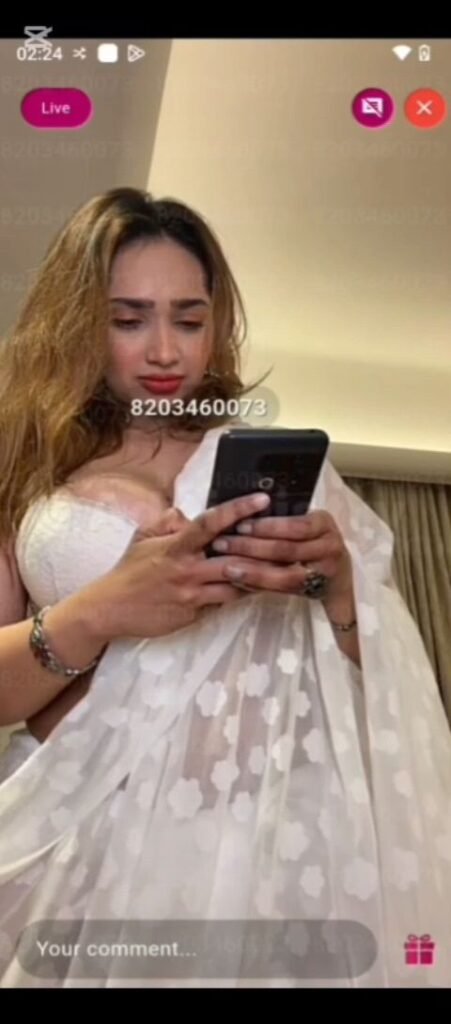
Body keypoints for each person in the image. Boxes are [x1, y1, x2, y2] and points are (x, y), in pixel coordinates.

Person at [0, 187, 450, 989]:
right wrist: (100, 610)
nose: (164, 350)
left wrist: (340, 590)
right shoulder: (23, 467)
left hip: (264, 843)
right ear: (75, 322)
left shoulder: (278, 468)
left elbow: (377, 688)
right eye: (128, 319)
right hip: (77, 840)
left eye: (189, 318)